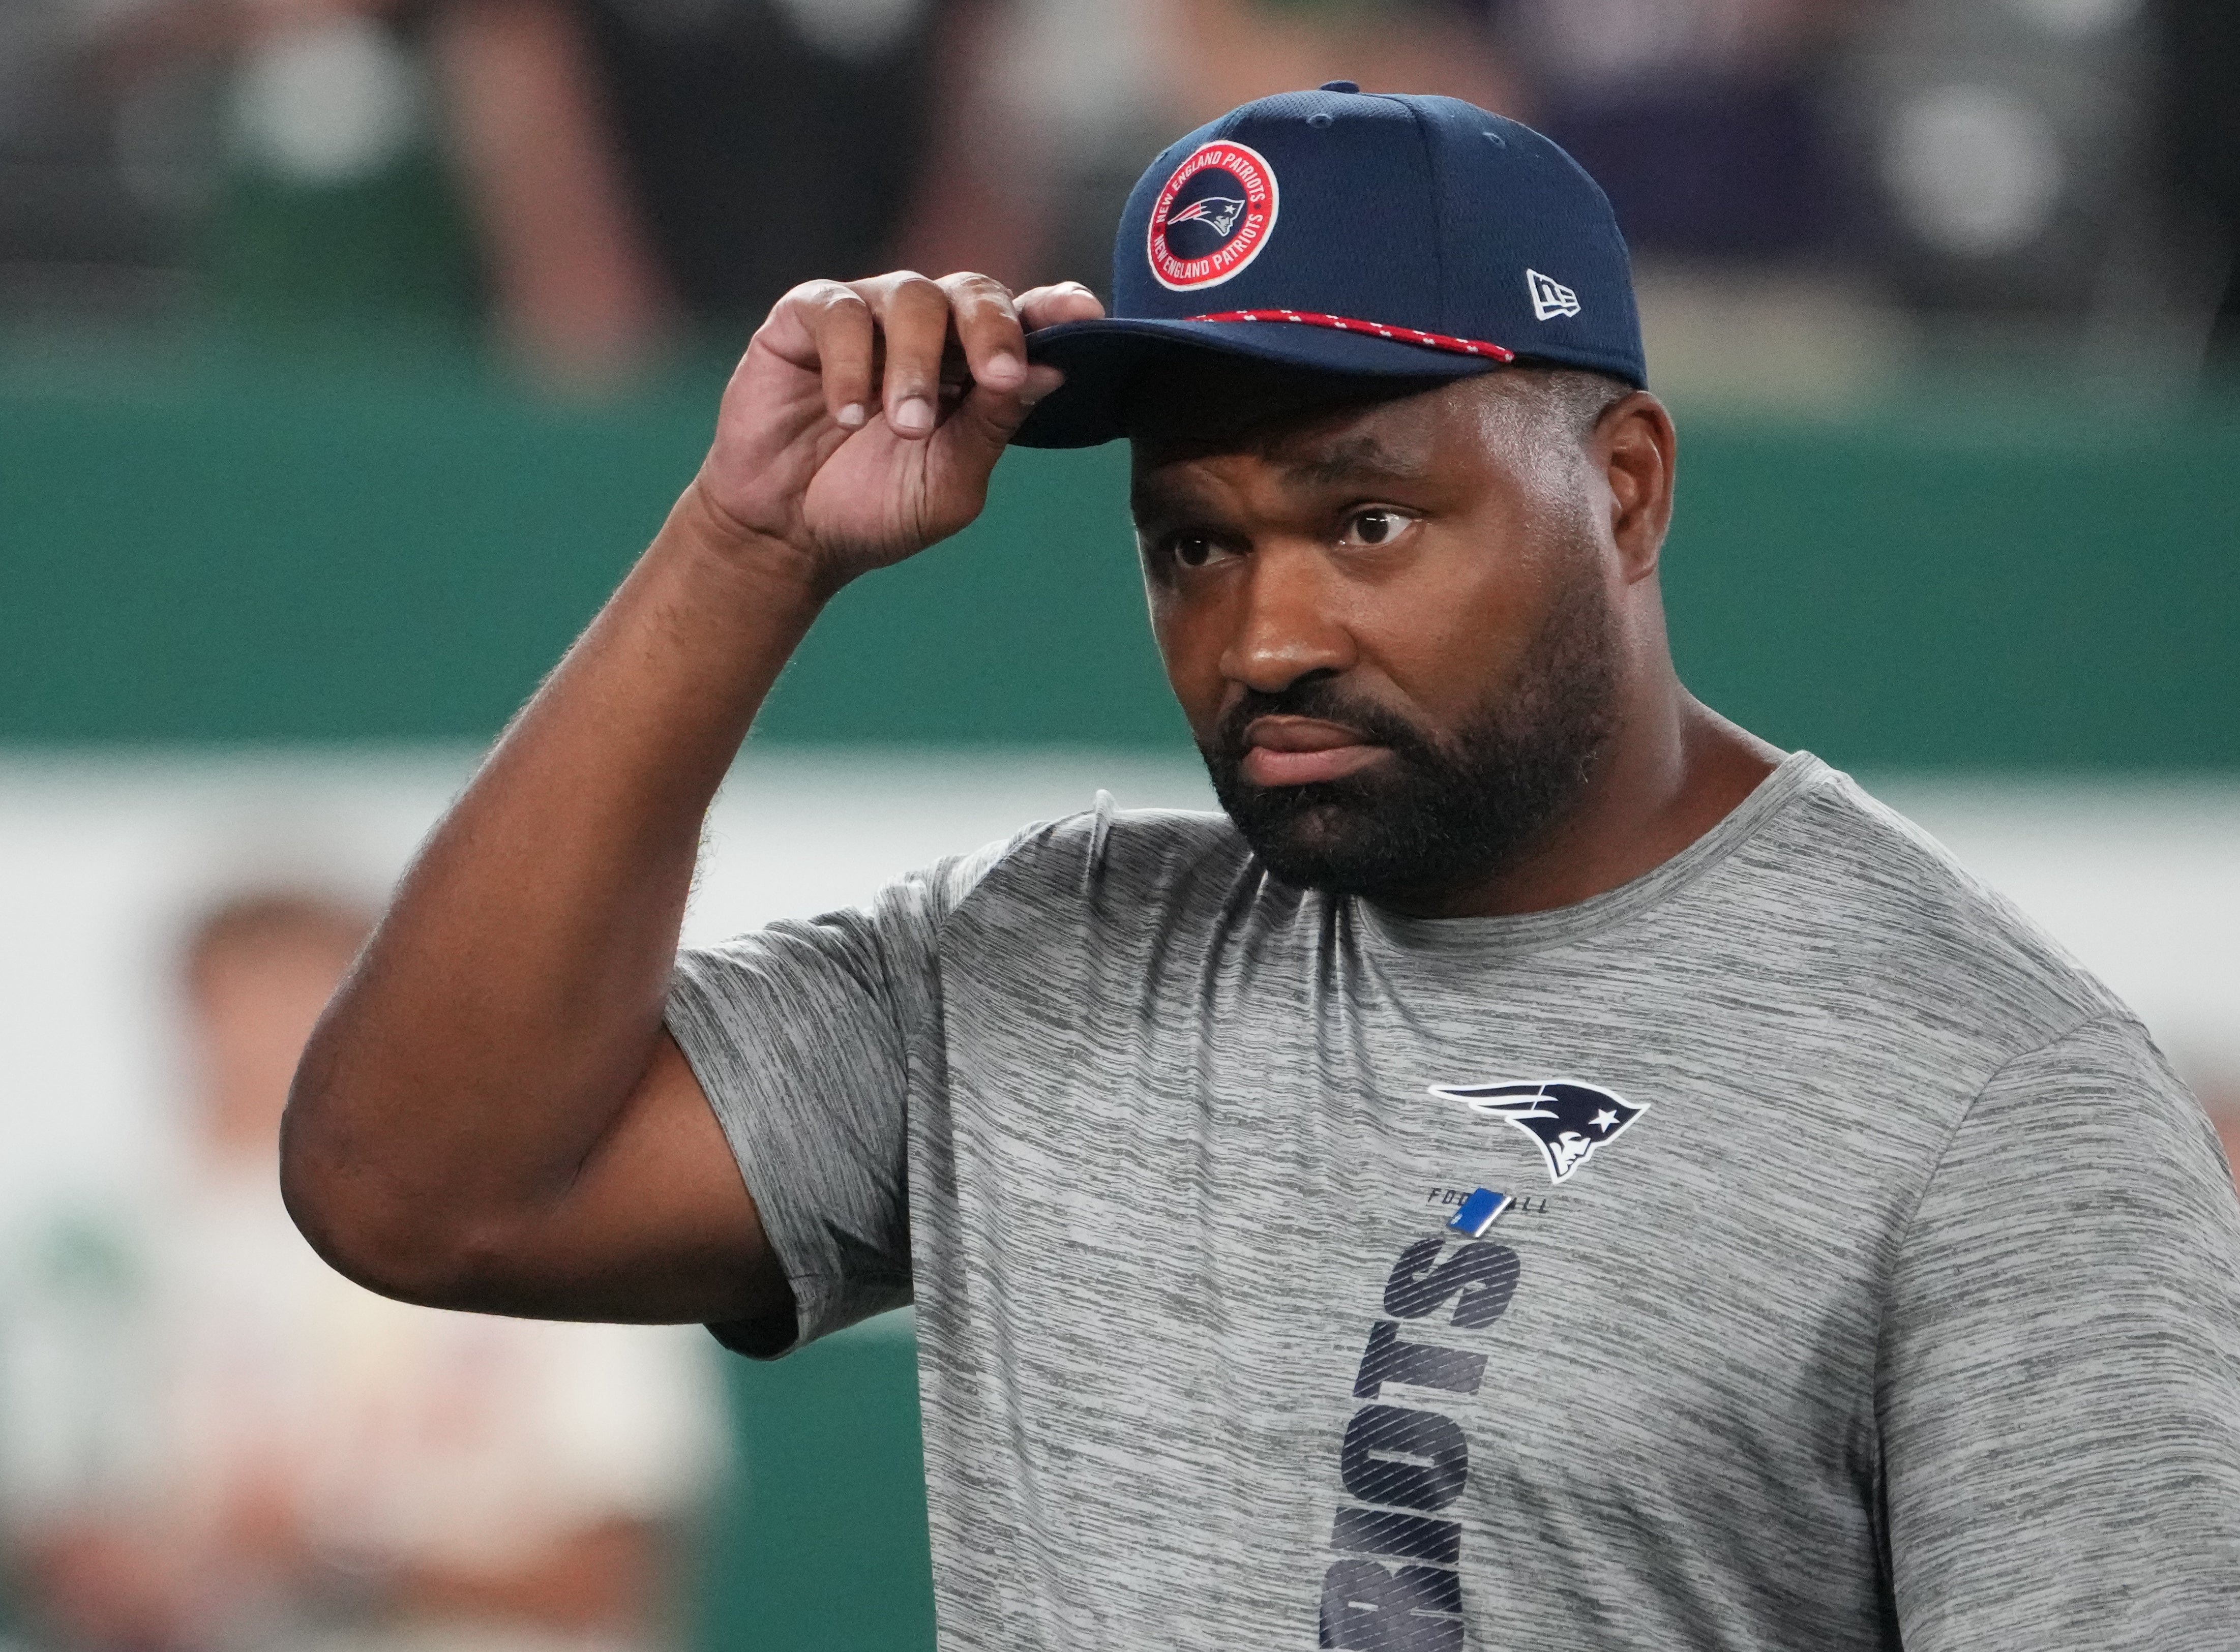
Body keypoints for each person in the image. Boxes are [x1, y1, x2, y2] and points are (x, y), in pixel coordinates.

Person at [280, 84, 2240, 1650]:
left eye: (1367, 520)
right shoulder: (1042, 955)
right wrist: (743, 549)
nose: (1264, 633)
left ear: (1623, 484)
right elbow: (421, 1192)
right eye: (1191, 545)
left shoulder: (1990, 1098)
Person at [3, 890, 724, 1652]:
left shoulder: (557, 1225)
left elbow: (610, 1568)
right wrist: (176, 1573)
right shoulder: (97, 1251)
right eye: (252, 996)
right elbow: (70, 1552)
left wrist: (340, 1560)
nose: (285, 1030)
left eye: (321, 991)